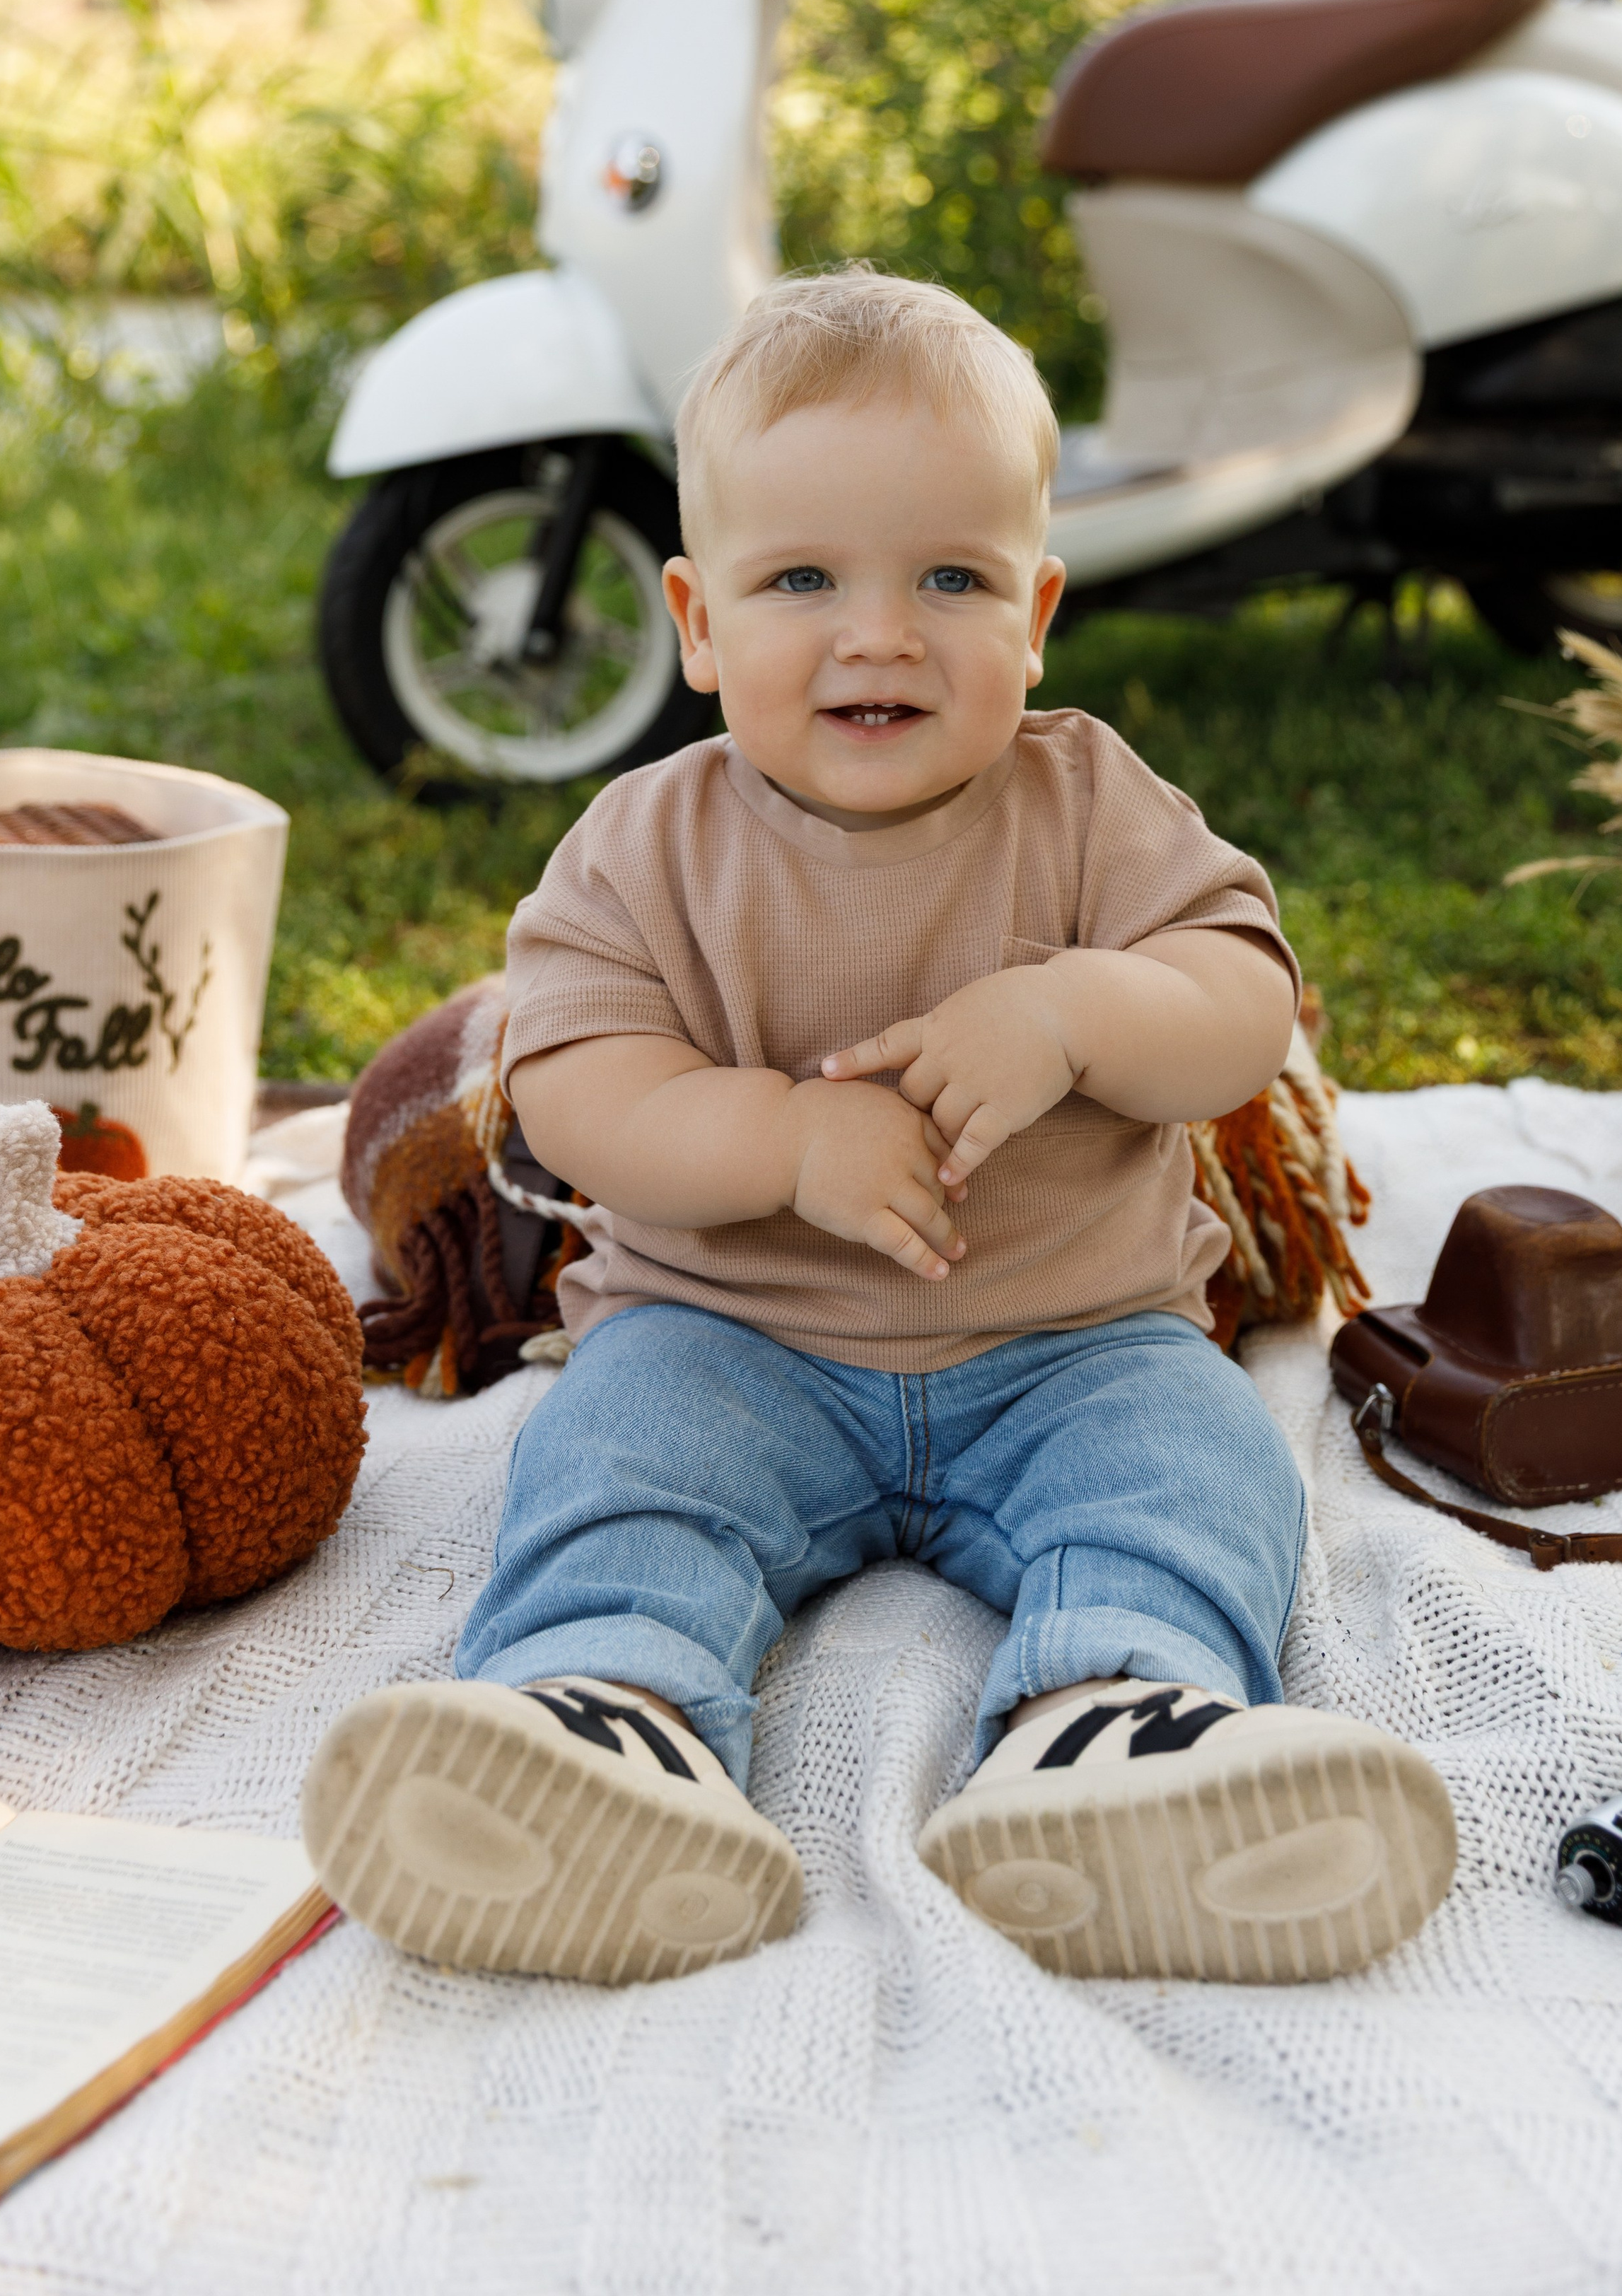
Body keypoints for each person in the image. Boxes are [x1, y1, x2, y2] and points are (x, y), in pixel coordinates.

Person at [301, 272, 1454, 1988]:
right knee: (618, 1467)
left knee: (1195, 1465)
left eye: (948, 579)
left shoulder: (1088, 807)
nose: (879, 634)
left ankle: (1114, 1727)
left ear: (1036, 606)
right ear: (692, 624)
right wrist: (774, 1141)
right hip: (732, 1338)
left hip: (1070, 1342)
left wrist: (1069, 1012)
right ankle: (606, 1721)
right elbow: (575, 1087)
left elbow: (1235, 1006)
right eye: (800, 582)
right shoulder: (645, 845)